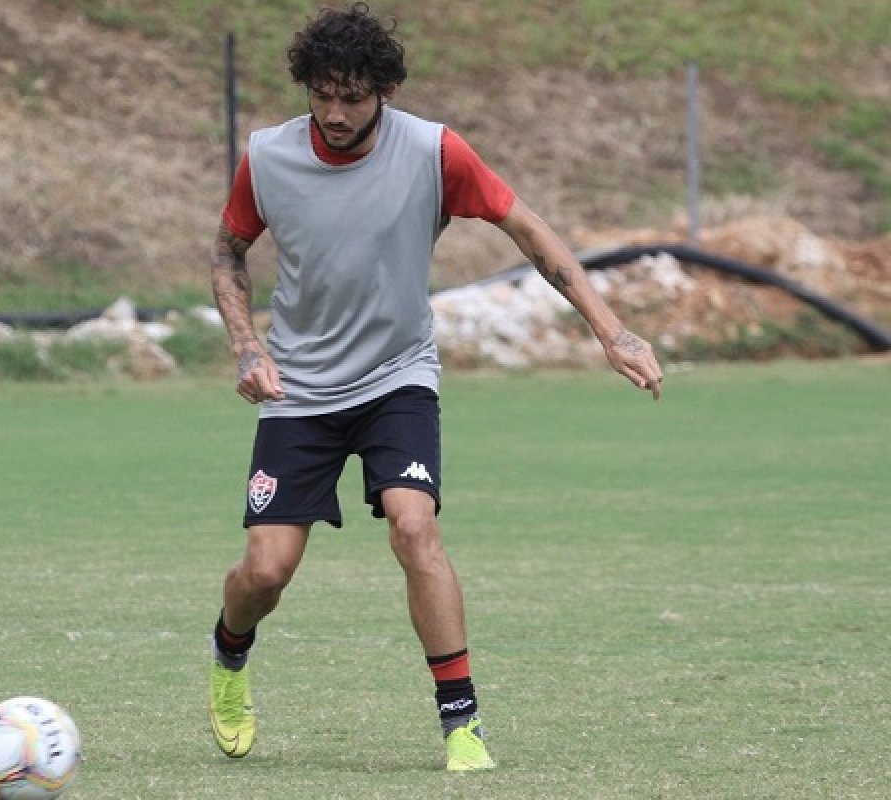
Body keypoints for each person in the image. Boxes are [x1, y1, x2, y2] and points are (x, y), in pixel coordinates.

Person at [207, 2, 663, 771]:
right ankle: (229, 656)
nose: (335, 113)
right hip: (301, 389)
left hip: (397, 376)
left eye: (353, 97)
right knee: (266, 571)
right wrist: (247, 347)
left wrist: (611, 330)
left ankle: (462, 725)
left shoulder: (433, 151)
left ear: (384, 91)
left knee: (415, 528)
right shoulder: (269, 156)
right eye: (322, 94)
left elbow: (531, 231)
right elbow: (227, 252)